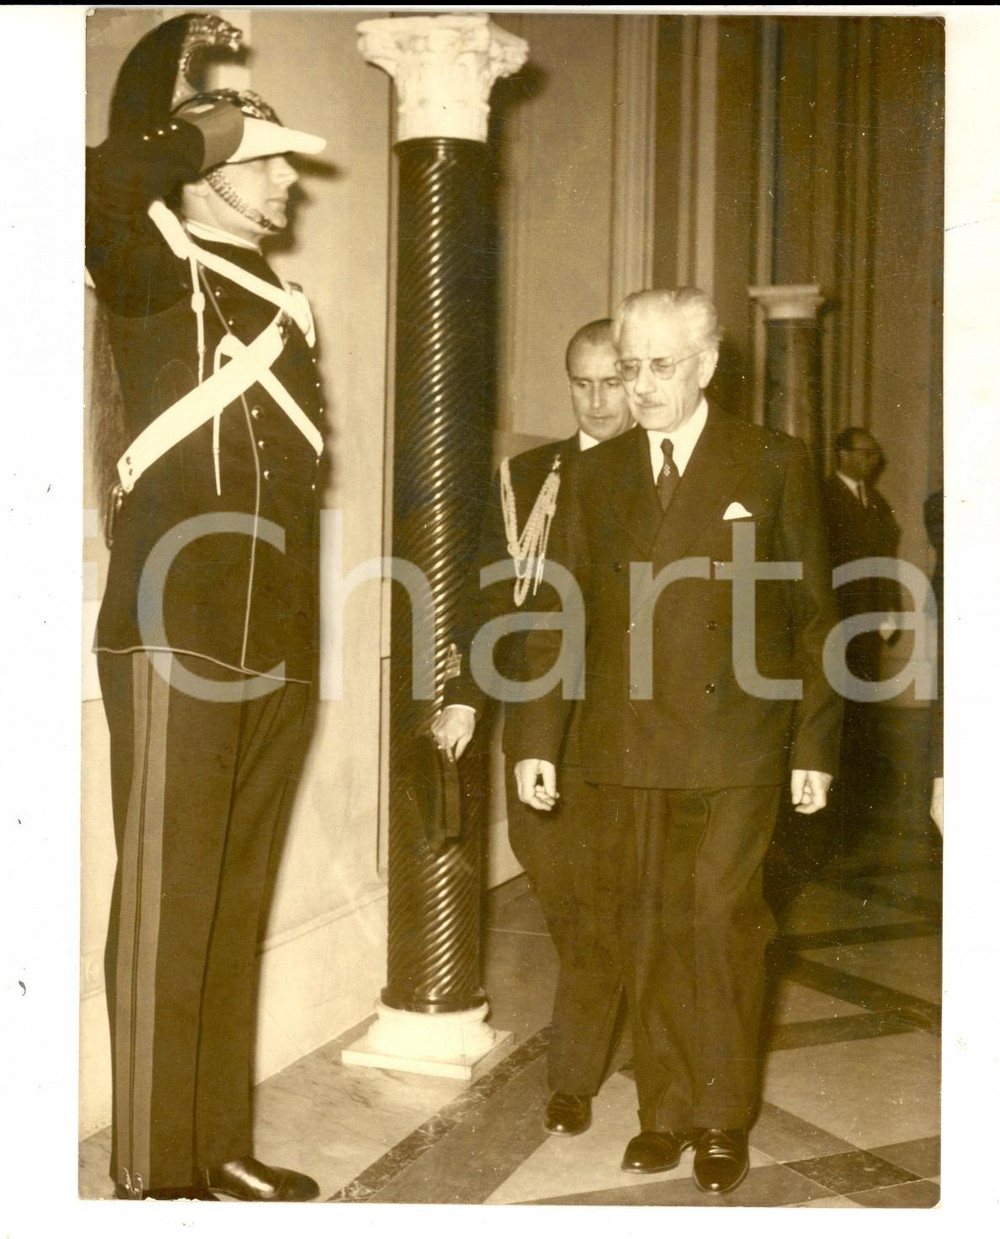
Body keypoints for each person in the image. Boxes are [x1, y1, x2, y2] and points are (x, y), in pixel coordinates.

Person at [511, 288, 842, 1194]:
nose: (642, 386)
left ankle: (722, 1117)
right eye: (632, 367)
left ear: (706, 365)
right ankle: (663, 1115)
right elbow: (559, 615)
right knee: (647, 925)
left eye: (662, 366)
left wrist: (814, 746)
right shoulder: (596, 473)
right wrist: (538, 736)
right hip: (621, 746)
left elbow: (816, 617)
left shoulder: (770, 460)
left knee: (720, 924)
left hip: (737, 742)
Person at [86, 15, 328, 1201]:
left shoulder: (284, 298)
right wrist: (183, 60)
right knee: (167, 911)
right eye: (268, 160)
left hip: (275, 640)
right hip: (175, 628)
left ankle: (215, 1146)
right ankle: (149, 1176)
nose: (290, 182)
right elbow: (107, 172)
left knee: (232, 906)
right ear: (209, 168)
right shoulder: (154, 271)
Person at [432, 320, 632, 1138]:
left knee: (619, 900)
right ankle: (604, 999)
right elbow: (490, 599)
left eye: (613, 381)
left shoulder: (666, 472)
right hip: (539, 720)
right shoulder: (526, 477)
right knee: (564, 888)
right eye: (583, 383)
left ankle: (575, 1073)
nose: (599, 399)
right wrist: (466, 696)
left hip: (638, 730)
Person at [823, 427, 902, 841]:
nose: (872, 461)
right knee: (838, 701)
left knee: (863, 699)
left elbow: (886, 559)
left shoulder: (877, 501)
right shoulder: (822, 497)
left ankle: (855, 789)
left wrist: (890, 608)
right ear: (842, 454)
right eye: (864, 453)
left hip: (868, 618)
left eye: (875, 454)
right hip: (837, 617)